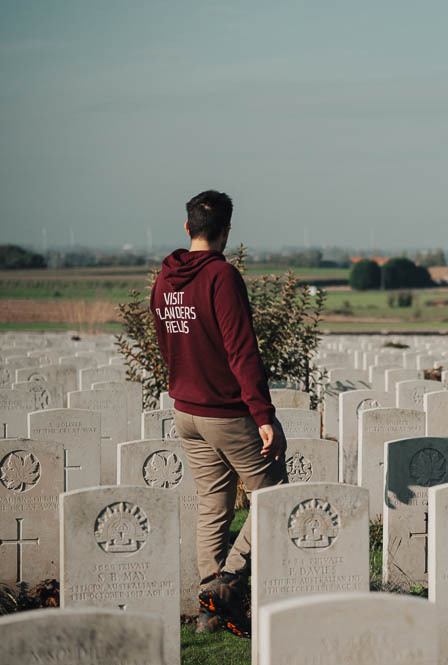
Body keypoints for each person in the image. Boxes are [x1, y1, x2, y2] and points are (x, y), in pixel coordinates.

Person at [151, 190, 286, 637]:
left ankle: (209, 611)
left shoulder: (164, 281)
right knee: (273, 497)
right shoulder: (222, 277)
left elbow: (167, 344)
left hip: (185, 411)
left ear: (187, 228)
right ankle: (228, 584)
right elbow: (241, 349)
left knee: (213, 508)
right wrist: (263, 415)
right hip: (225, 412)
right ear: (226, 232)